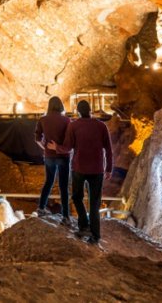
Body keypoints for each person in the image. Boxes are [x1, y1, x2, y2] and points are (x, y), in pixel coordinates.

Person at [49, 100, 113, 245]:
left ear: (78, 112)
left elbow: (67, 148)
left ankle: (84, 226)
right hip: (97, 170)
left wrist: (55, 147)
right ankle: (95, 236)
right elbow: (108, 149)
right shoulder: (101, 126)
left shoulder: (74, 126)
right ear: (90, 110)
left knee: (77, 198)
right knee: (94, 203)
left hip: (79, 168)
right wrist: (109, 168)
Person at [34, 96, 71, 225]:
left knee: (48, 182)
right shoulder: (67, 120)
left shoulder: (43, 120)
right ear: (61, 105)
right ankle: (66, 216)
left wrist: (45, 147)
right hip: (63, 156)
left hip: (49, 156)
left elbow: (37, 138)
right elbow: (69, 141)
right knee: (63, 186)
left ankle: (41, 208)